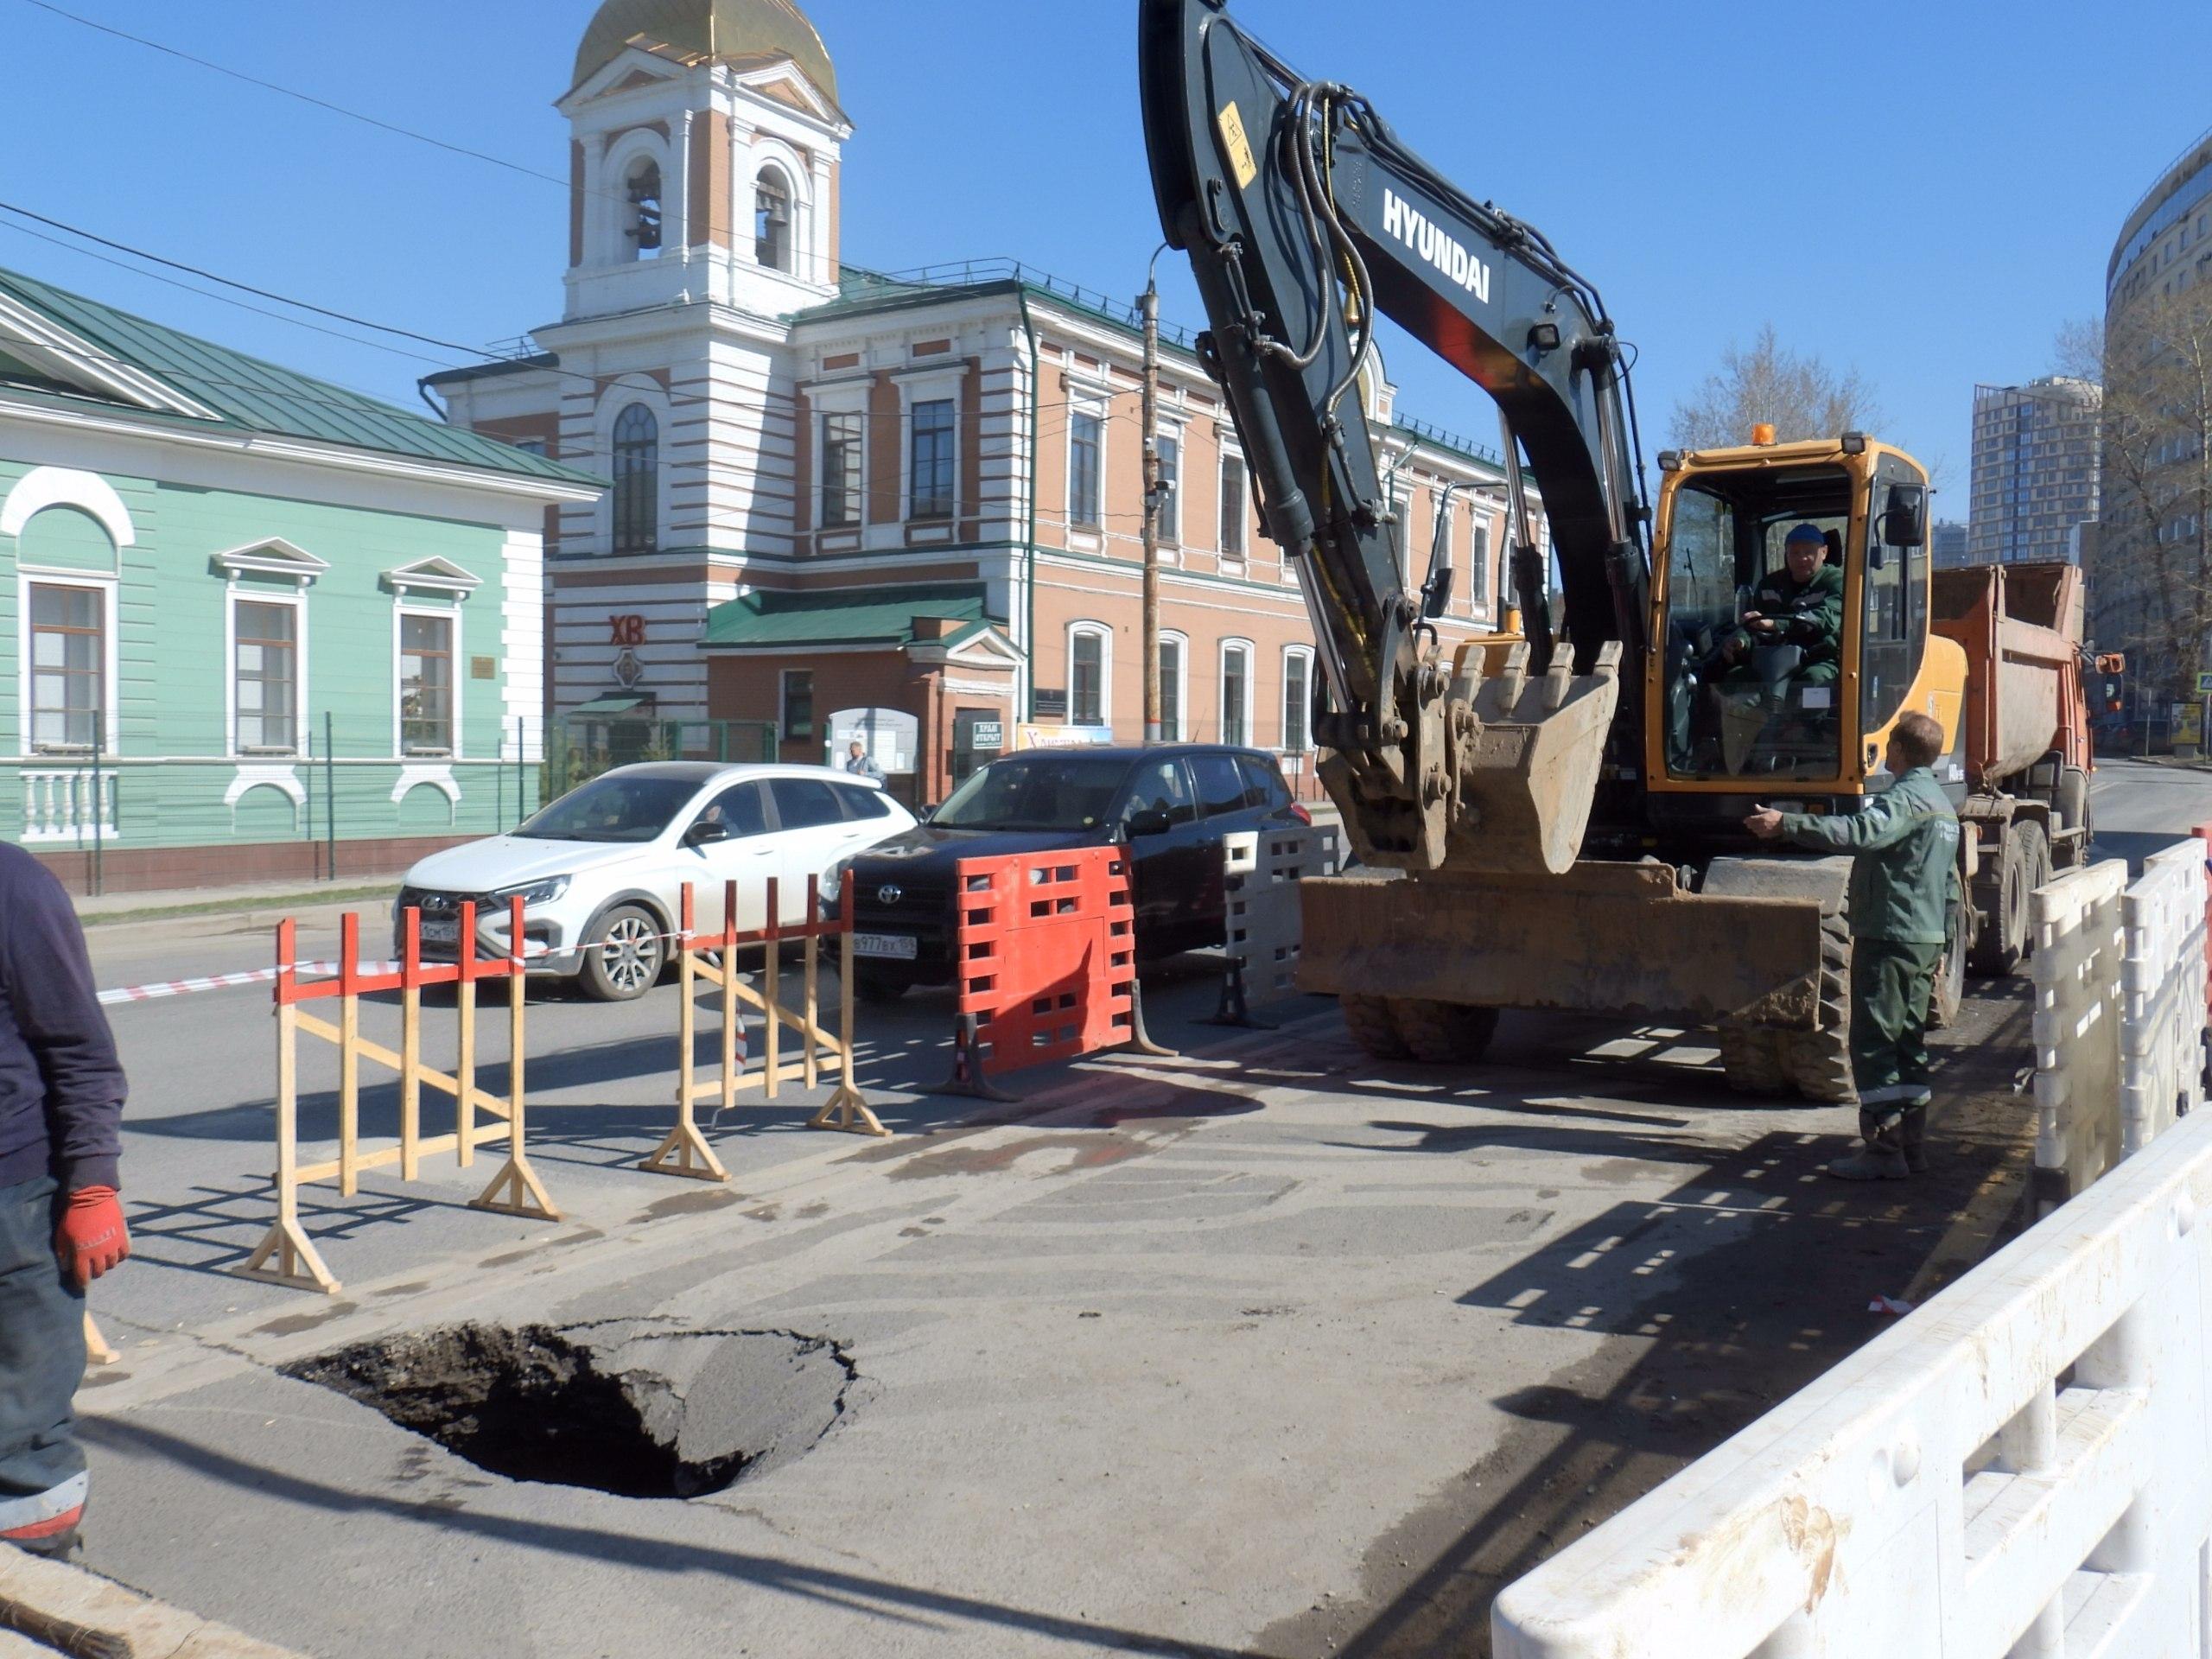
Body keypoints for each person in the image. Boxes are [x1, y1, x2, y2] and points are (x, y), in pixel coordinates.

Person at [1745, 711, 1960, 1181]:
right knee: (1908, 1042)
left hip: (1889, 935)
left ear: (1899, 751)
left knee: (1875, 1043)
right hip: (1924, 940)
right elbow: (1951, 886)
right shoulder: (1943, 806)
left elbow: (1859, 833)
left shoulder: (1903, 799)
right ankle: (1913, 1149)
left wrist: (1789, 823)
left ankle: (1884, 1155)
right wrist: (1942, 945)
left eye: (1890, 747)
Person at [1, 842, 130, 1559]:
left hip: (11, 1201)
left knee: (19, 1426)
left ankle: (36, 1577)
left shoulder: (12, 886)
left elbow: (79, 1048)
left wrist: (91, 1185)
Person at [1719, 523, 1844, 685]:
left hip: (1817, 658)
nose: (1802, 558)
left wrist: (1774, 624)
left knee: (1815, 683)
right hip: (1771, 656)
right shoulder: (1769, 585)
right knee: (1736, 679)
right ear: (1787, 554)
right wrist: (1741, 642)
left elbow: (1826, 618)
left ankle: (1813, 711)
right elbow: (1751, 623)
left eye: (1808, 552)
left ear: (1824, 552)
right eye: (1795, 552)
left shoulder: (1836, 581)